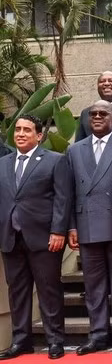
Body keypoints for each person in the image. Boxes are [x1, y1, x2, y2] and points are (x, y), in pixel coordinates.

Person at [67, 101, 112, 355]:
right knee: (93, 285)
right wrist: (72, 227)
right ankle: (98, 333)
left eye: (103, 113)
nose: (97, 117)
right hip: (87, 224)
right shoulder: (75, 150)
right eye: (93, 114)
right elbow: (69, 192)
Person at [0, 115, 71, 360]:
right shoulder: (3, 163)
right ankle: (21, 341)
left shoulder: (55, 160)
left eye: (27, 130)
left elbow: (63, 199)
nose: (20, 134)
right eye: (17, 129)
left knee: (49, 291)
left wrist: (58, 231)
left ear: (39, 136)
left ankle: (55, 341)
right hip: (11, 238)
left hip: (44, 238)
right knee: (17, 292)